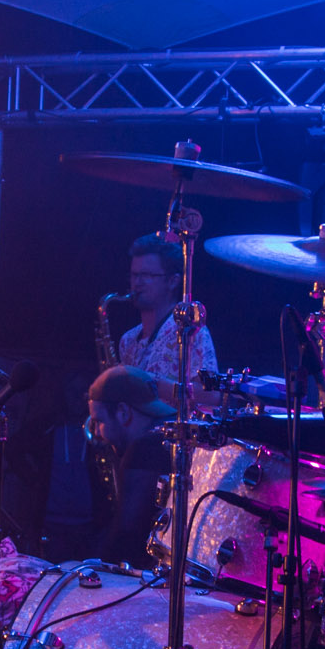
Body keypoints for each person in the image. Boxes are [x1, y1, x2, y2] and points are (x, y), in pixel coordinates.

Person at [114, 231, 217, 409]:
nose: (137, 283)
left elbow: (212, 395)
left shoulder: (190, 330)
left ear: (173, 281)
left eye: (146, 275)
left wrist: (153, 384)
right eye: (134, 275)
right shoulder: (128, 340)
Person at [84, 365, 174, 568]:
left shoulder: (145, 448)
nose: (96, 433)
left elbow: (126, 535)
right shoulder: (172, 436)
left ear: (123, 412)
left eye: (99, 421)